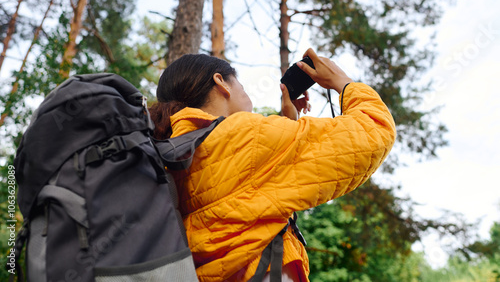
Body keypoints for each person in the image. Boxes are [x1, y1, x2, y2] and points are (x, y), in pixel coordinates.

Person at [149, 48, 396, 282]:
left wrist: (287, 124)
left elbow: (242, 203)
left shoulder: (171, 153)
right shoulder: (245, 134)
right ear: (221, 82)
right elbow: (373, 133)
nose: (247, 95)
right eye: (241, 85)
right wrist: (342, 83)